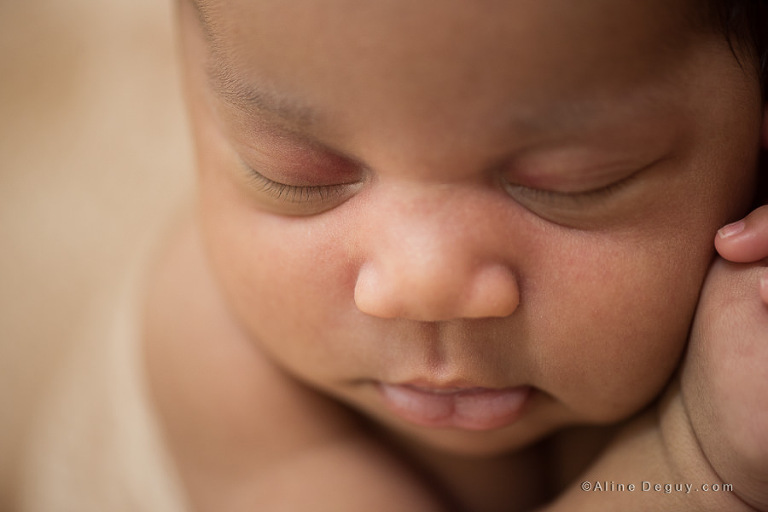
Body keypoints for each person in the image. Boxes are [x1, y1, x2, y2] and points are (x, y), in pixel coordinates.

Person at [19, 0, 767, 511]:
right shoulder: (219, 352)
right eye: (296, 173)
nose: (421, 285)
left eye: (570, 185)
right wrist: (692, 471)